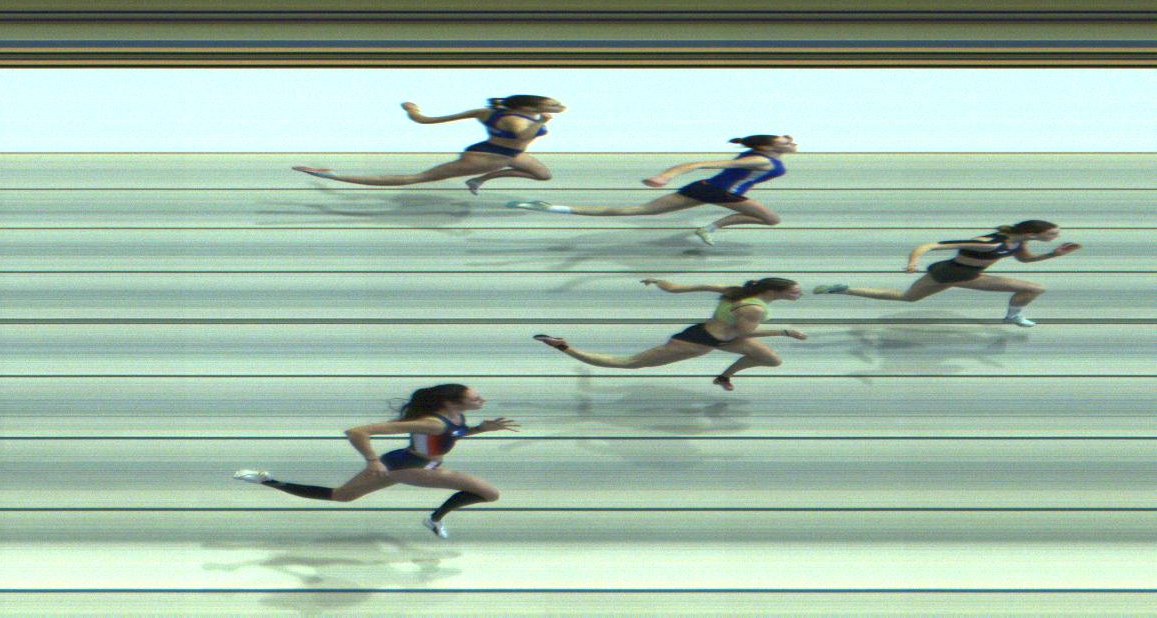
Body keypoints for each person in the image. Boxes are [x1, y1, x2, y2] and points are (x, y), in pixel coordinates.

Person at [233, 384, 519, 539]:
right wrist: (372, 461)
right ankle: (265, 480)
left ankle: (433, 520)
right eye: (475, 398)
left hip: (421, 465)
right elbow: (357, 432)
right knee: (489, 493)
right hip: (405, 466)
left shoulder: (455, 416)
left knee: (342, 496)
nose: (482, 400)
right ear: (451, 402)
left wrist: (481, 429)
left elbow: (451, 434)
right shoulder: (431, 422)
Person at [508, 134, 797, 245]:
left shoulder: (762, 155)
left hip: (706, 189)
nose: (790, 141)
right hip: (720, 192)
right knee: (772, 219)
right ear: (766, 146)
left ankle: (554, 208)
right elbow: (698, 163)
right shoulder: (760, 159)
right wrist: (664, 176)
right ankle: (711, 228)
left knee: (638, 211)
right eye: (785, 140)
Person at [533, 278, 807, 391]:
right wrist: (784, 331)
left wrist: (659, 281)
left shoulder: (735, 290)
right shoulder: (754, 309)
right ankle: (563, 346)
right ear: (774, 292)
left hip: (713, 334)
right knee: (629, 363)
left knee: (771, 360)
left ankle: (723, 377)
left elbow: (679, 288)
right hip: (697, 342)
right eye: (794, 292)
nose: (799, 294)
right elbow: (744, 332)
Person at [812, 220, 1082, 327]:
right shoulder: (989, 243)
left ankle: (845, 289)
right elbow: (930, 245)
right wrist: (913, 263)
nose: (1055, 237)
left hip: (956, 274)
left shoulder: (1017, 244)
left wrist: (1054, 254)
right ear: (1033, 233)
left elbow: (1026, 260)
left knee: (907, 298)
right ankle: (1012, 317)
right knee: (1035, 288)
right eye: (1052, 235)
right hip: (955, 273)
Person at [292, 95, 565, 193]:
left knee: (543, 175)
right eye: (552, 105)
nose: (558, 107)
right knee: (416, 178)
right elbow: (522, 138)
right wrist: (542, 122)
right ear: (531, 106)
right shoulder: (518, 122)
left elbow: (426, 120)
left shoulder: (486, 112)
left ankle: (478, 181)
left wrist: (412, 111)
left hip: (504, 154)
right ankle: (332, 175)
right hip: (489, 157)